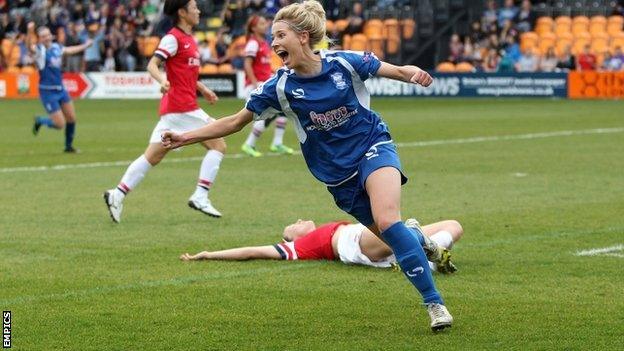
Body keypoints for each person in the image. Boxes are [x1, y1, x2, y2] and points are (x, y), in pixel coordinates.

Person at [162, 0, 453, 332]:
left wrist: (412, 73)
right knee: (394, 239)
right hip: (337, 176)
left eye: (281, 35)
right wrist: (185, 137)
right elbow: (235, 122)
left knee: (388, 221)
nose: (274, 44)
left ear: (302, 37)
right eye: (273, 37)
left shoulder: (343, 62)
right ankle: (418, 237)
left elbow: (392, 70)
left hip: (373, 146)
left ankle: (435, 304)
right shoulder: (279, 87)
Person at [103, 0, 226, 223]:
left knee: (152, 156)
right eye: (194, 7)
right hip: (182, 108)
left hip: (175, 109)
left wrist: (203, 88)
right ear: (181, 12)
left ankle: (117, 194)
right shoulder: (172, 38)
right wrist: (162, 79)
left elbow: (186, 73)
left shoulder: (189, 39)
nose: (198, 11)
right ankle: (200, 195)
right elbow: (153, 65)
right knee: (219, 144)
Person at [181, 218, 463, 274]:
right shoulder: (298, 248)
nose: (300, 219)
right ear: (289, 238)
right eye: (294, 223)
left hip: (367, 237)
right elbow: (252, 251)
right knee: (402, 229)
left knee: (453, 225)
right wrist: (206, 254)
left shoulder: (322, 229)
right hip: (356, 243)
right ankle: (418, 250)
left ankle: (424, 258)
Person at [28, 22, 92, 153]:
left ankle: (68, 147)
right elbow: (30, 47)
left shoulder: (57, 47)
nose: (46, 38)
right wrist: (30, 31)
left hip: (60, 89)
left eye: (47, 35)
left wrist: (85, 46)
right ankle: (41, 120)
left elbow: (69, 50)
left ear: (51, 36)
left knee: (72, 119)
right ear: (40, 39)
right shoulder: (40, 52)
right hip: (47, 92)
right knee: (59, 124)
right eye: (43, 36)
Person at [240, 14, 294, 157]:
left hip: (263, 83)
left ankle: (277, 143)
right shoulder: (253, 43)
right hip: (256, 85)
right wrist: (254, 84)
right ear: (253, 27)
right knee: (261, 114)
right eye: (262, 23)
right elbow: (247, 64)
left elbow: (263, 66)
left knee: (284, 110)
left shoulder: (263, 43)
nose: (266, 25)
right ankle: (249, 144)